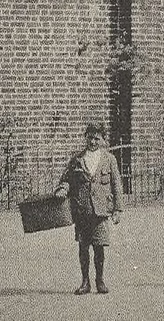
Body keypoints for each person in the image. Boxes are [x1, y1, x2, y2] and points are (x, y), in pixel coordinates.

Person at [53, 121, 123, 295]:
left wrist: (117, 209)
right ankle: (85, 282)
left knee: (99, 246)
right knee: (83, 247)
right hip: (82, 210)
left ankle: (100, 280)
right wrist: (62, 189)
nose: (93, 142)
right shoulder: (77, 159)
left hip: (100, 211)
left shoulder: (109, 159)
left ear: (102, 140)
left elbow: (116, 185)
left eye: (97, 139)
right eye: (90, 138)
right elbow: (67, 179)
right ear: (85, 138)